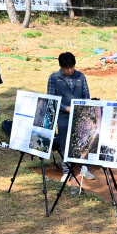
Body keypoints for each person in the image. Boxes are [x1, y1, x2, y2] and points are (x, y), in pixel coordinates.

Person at [47, 52, 95, 182]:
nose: (69, 71)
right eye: (66, 68)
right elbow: (52, 99)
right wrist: (65, 108)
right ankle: (67, 171)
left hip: (80, 114)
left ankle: (85, 168)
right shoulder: (54, 78)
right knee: (65, 143)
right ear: (61, 67)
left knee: (83, 141)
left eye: (71, 67)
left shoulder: (81, 76)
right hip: (63, 116)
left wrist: (84, 110)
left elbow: (86, 95)